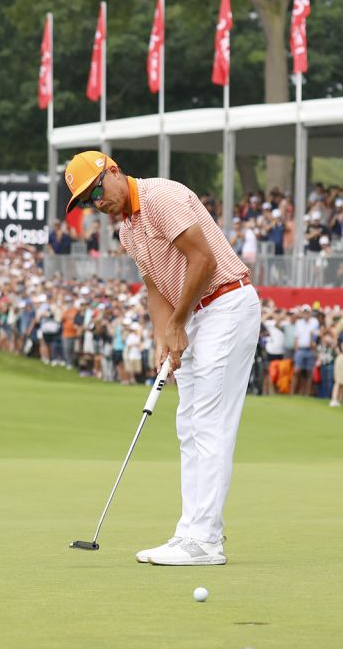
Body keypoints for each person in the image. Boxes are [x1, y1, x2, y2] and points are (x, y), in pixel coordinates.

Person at [63, 151, 259, 567]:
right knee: (188, 424)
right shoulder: (128, 231)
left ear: (113, 171)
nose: (97, 203)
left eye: (96, 190)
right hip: (196, 314)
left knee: (208, 423)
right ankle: (189, 532)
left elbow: (203, 260)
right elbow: (155, 284)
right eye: (86, 201)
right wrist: (163, 337)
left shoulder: (160, 197)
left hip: (226, 303)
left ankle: (206, 540)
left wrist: (177, 323)